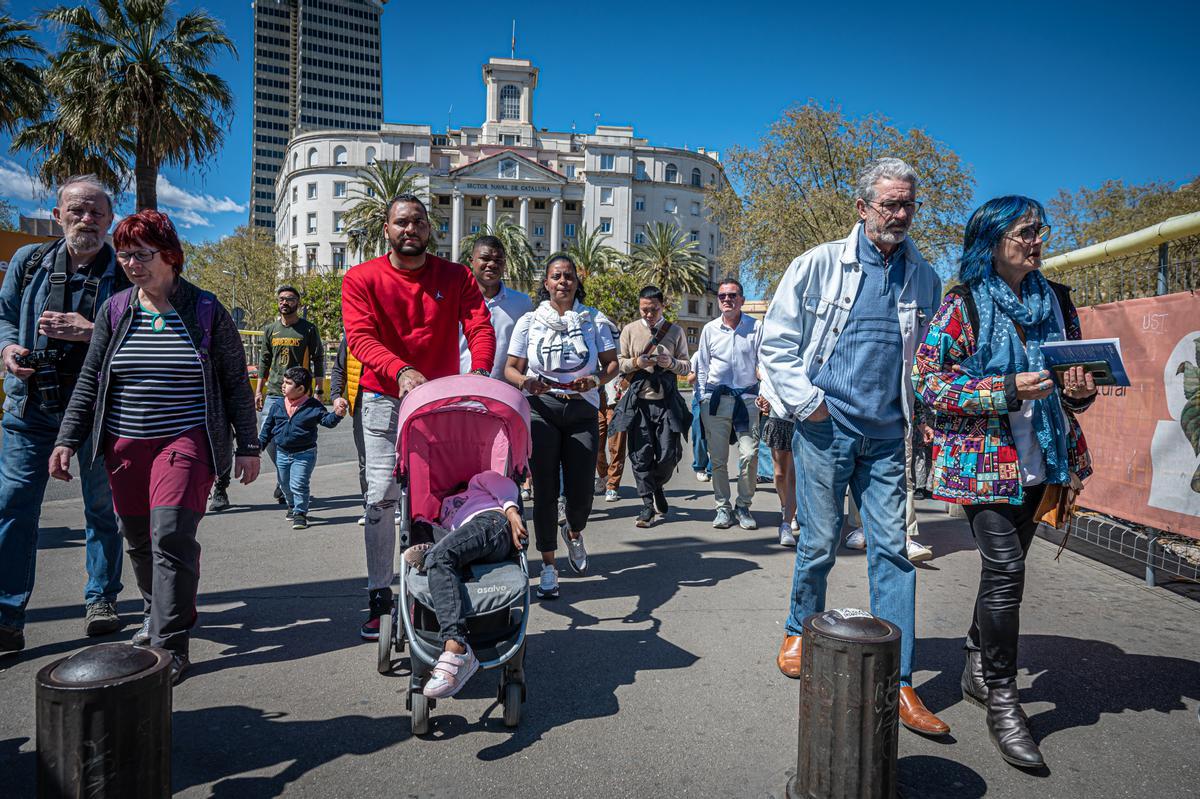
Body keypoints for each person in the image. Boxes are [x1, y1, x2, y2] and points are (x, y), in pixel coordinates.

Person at [760, 157, 948, 737]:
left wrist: (922, 419)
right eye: (890, 204)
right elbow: (777, 341)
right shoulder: (817, 265)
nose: (901, 215)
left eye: (909, 205)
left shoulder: (925, 276)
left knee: (892, 552)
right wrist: (809, 404)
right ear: (862, 208)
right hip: (826, 426)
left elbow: (928, 356)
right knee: (818, 542)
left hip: (889, 435)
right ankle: (798, 629)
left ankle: (900, 680)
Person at [913, 196, 1096, 768]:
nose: (1037, 240)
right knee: (1007, 570)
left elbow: (1073, 381)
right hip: (984, 461)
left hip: (1044, 458)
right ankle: (1003, 696)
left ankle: (974, 658)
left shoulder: (1058, 300)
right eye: (1025, 232)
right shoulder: (962, 304)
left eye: (1041, 230)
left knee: (1004, 569)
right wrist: (1004, 388)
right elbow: (928, 383)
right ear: (992, 241)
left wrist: (1078, 390)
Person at [50, 209, 261, 683]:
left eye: (141, 254)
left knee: (171, 535)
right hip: (124, 444)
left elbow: (234, 383)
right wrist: (67, 439)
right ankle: (161, 610)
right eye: (123, 254)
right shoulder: (115, 310)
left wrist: (248, 443)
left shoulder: (205, 310)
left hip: (186, 439)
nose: (129, 263)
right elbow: (91, 380)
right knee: (140, 540)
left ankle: (170, 646)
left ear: (170, 256)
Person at [342, 193, 495, 640]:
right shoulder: (360, 278)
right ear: (387, 230)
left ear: (431, 230)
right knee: (382, 495)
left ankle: (433, 582)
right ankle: (378, 596)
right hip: (383, 398)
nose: (411, 229)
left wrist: (480, 374)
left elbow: (478, 325)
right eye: (401, 222)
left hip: (439, 400)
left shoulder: (456, 276)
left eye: (419, 223)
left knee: (439, 495)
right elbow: (360, 338)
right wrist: (401, 370)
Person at [0, 175, 128, 652]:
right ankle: (7, 614)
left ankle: (101, 600)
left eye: (96, 211)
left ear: (110, 219)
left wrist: (89, 330)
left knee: (103, 510)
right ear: (58, 216)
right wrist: (9, 348)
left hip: (98, 412)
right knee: (14, 507)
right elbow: (4, 314)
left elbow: (141, 333)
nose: (87, 219)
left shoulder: (123, 271)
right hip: (30, 408)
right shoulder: (28, 261)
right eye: (77, 210)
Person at [504, 254, 618, 598]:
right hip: (543, 409)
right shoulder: (529, 321)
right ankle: (549, 566)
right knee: (546, 492)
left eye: (568, 276)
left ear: (576, 282)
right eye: (556, 276)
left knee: (582, 493)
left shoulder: (593, 319)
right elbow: (510, 368)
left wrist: (594, 381)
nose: (563, 282)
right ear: (547, 282)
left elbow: (612, 365)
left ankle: (574, 529)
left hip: (582, 410)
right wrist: (526, 383)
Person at [403, 469, 526, 699]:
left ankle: (457, 648)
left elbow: (506, 486)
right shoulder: (444, 509)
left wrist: (511, 510)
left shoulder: (476, 483)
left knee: (440, 558)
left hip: (490, 521)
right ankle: (431, 555)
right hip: (465, 541)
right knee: (441, 554)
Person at [225, 285, 324, 512]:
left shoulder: (308, 329)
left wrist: (318, 390)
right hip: (274, 393)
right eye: (281, 299)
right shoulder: (271, 329)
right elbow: (264, 362)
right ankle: (284, 477)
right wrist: (258, 390)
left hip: (300, 394)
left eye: (289, 299)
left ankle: (289, 484)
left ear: (297, 303)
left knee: (297, 438)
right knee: (268, 438)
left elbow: (319, 359)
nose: (284, 302)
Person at [611, 286, 691, 528]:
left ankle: (657, 486)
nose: (648, 314)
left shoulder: (675, 331)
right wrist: (637, 361)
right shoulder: (629, 330)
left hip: (667, 402)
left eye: (653, 310)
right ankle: (647, 505)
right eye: (644, 310)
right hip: (639, 403)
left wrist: (672, 363)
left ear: (662, 306)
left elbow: (687, 367)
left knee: (669, 454)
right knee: (640, 454)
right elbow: (619, 363)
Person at [695, 278, 763, 530]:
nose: (727, 299)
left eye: (732, 295)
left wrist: (764, 393)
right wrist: (702, 396)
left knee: (749, 454)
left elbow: (764, 363)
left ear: (742, 300)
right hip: (716, 401)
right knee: (719, 459)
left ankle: (743, 505)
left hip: (746, 401)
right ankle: (723, 508)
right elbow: (702, 366)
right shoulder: (709, 330)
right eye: (722, 296)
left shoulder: (757, 328)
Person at [258, 366, 346, 530]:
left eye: (288, 383)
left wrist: (337, 414)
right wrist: (257, 448)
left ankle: (300, 513)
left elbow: (327, 421)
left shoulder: (313, 406)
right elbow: (267, 430)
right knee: (284, 485)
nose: (283, 385)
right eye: (283, 382)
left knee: (299, 483)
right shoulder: (278, 405)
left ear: (301, 389)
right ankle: (292, 506)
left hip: (304, 454)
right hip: (282, 453)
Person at [458, 235, 533, 379]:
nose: (492, 264)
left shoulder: (523, 303)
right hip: (458, 389)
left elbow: (528, 349)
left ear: (504, 265)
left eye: (498, 260)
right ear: (471, 261)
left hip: (504, 393)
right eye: (485, 259)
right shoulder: (455, 300)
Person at [329, 334, 368, 524]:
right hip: (360, 405)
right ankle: (371, 507)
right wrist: (336, 395)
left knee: (395, 458)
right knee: (365, 461)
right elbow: (339, 368)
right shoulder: (352, 335)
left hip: (392, 402)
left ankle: (396, 506)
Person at [757, 369, 797, 547]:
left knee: (793, 474)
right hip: (778, 417)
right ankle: (784, 505)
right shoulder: (773, 350)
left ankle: (790, 517)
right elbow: (765, 377)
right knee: (780, 473)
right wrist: (762, 399)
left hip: (800, 418)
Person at [598, 371, 628, 502]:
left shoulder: (618, 350)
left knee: (616, 446)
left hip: (616, 402)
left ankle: (612, 485)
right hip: (594, 402)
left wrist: (624, 384)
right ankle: (604, 476)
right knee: (594, 445)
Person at [688, 354, 711, 482]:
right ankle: (700, 467)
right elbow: (689, 379)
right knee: (699, 435)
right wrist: (698, 375)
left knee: (717, 436)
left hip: (718, 398)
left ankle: (713, 469)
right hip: (700, 399)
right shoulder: (698, 356)